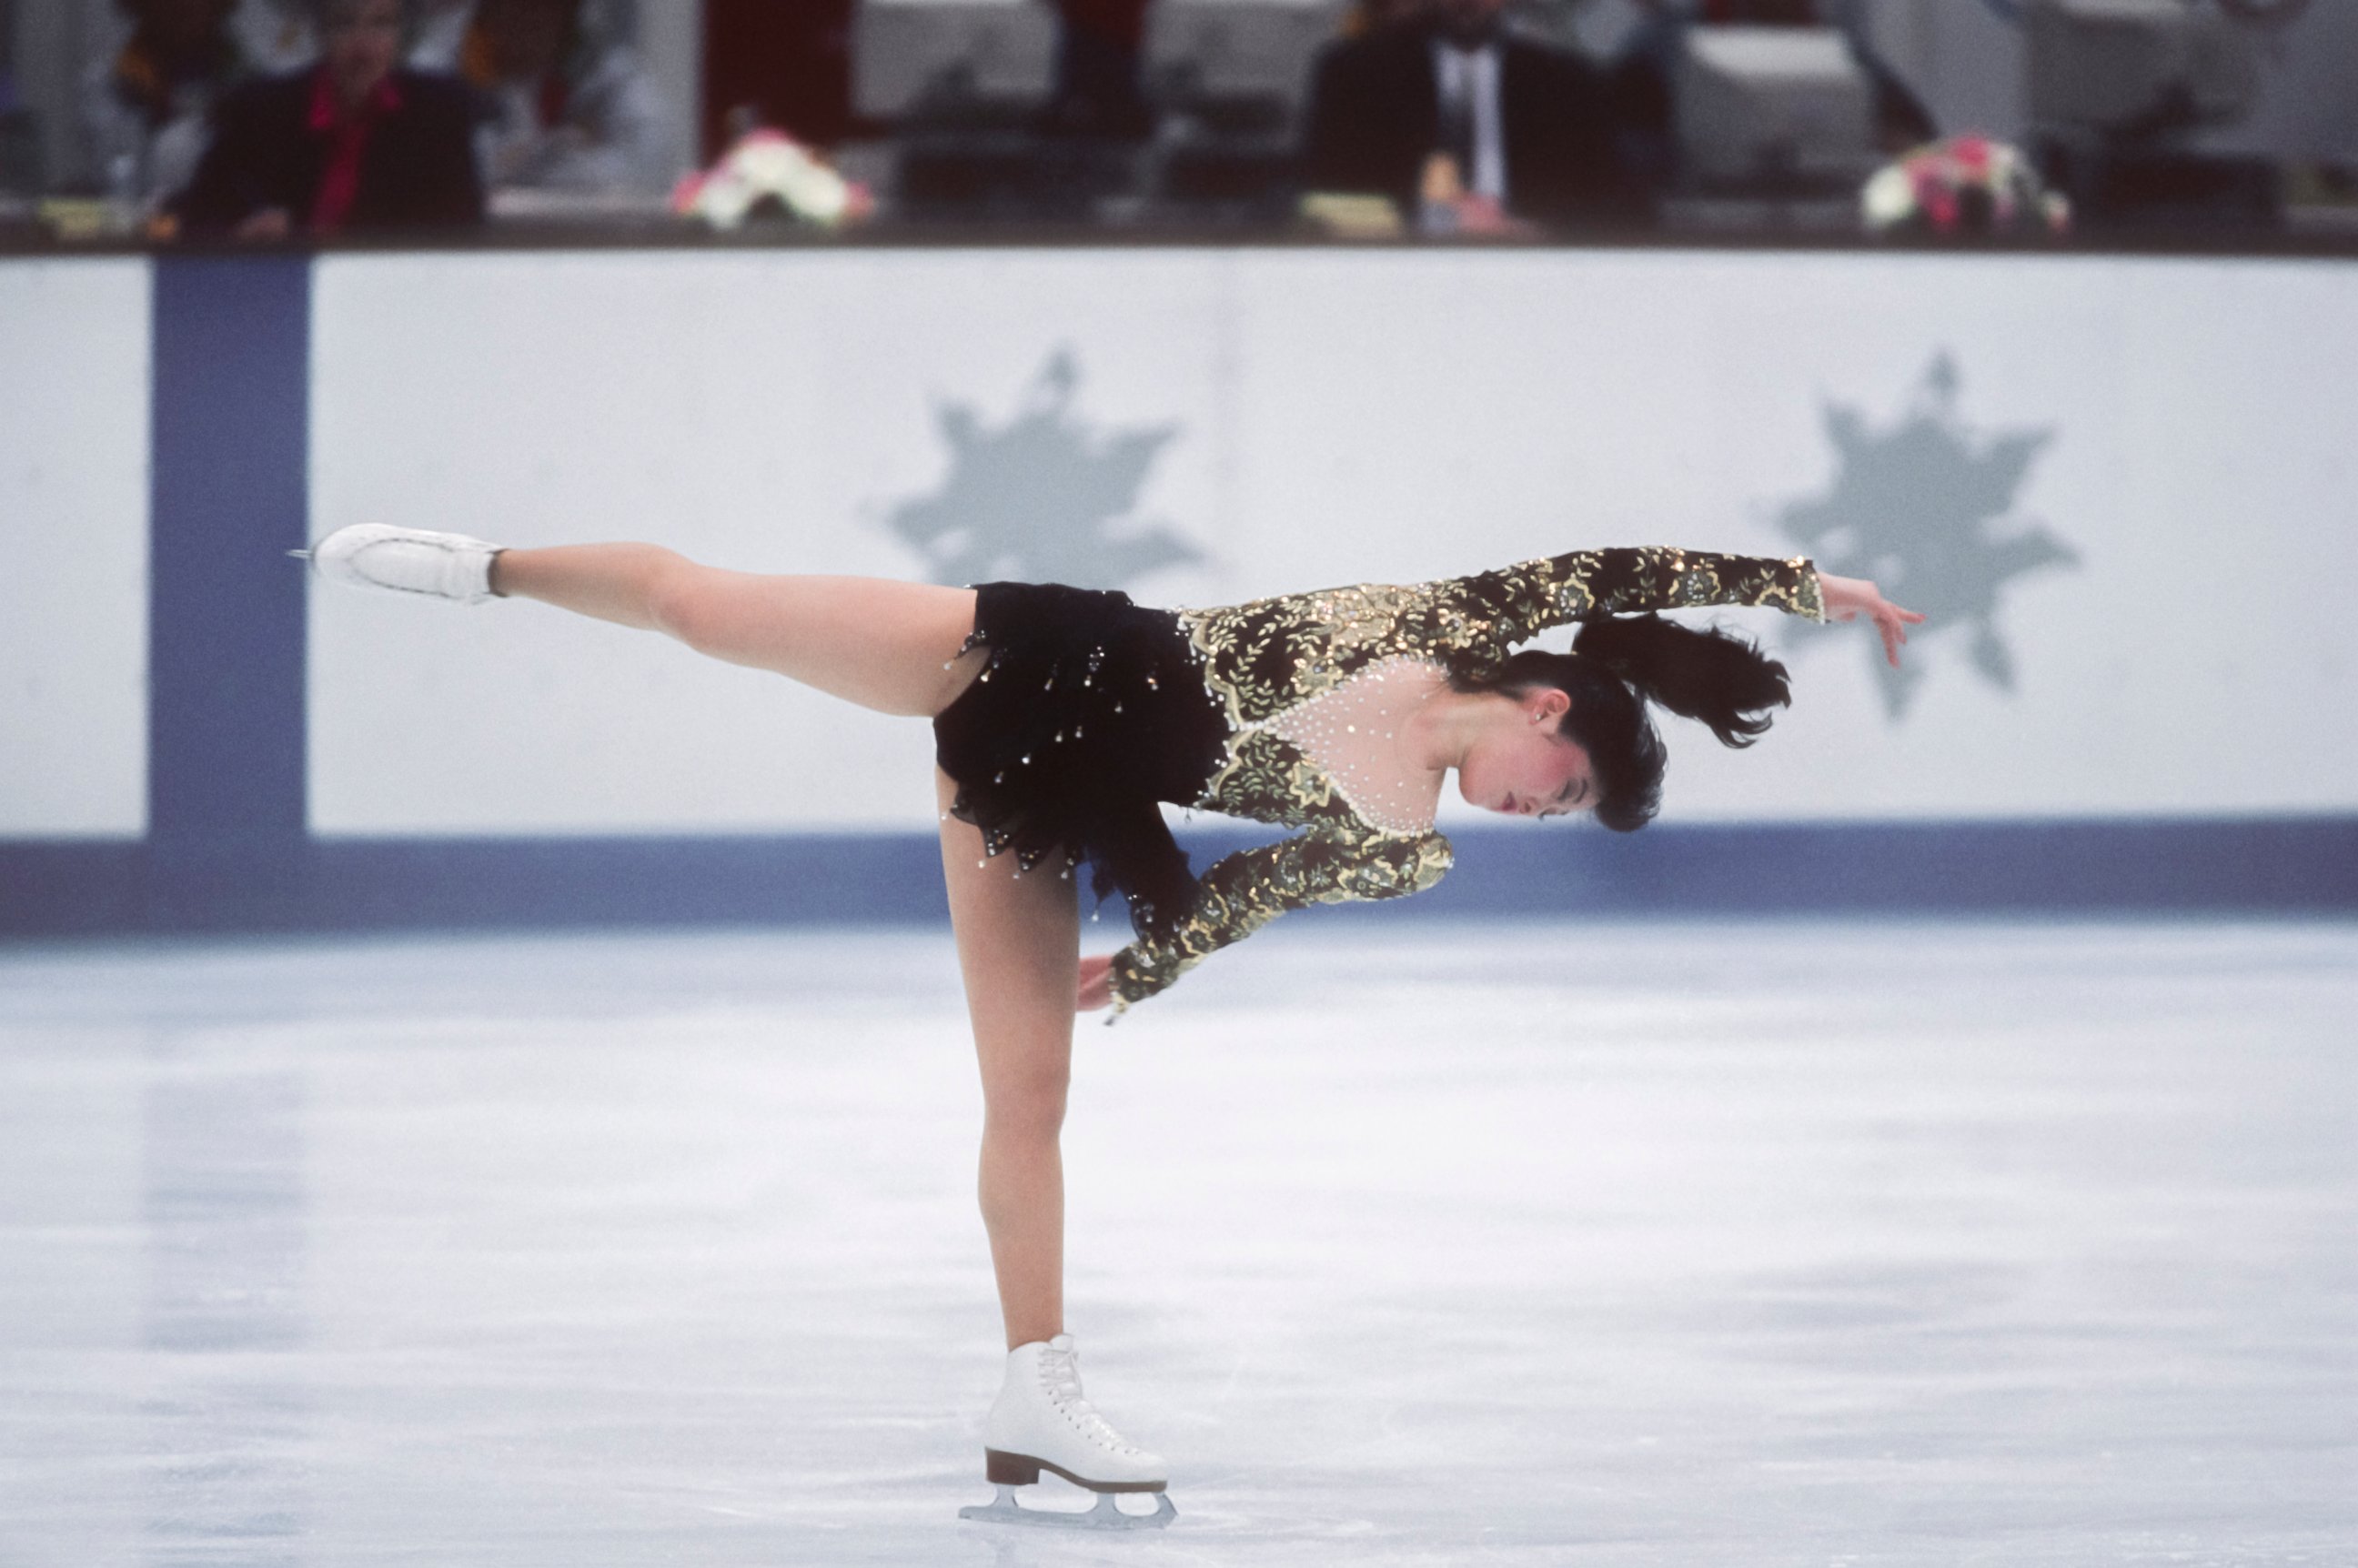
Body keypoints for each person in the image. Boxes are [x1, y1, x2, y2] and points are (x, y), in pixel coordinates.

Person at [298, 520, 1920, 1528]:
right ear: (1548, 709)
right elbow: (1614, 574)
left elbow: (1252, 887)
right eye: (1555, 791)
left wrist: (1138, 971)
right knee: (706, 606)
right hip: (1023, 650)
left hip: (1052, 795)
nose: (1529, 812)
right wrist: (1802, 589)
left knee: (1029, 1096)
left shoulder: (1403, 843)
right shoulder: (1430, 619)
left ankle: (1034, 1386)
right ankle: (482, 568)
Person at [1301, 0, 1645, 234]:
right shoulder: (1357, 76)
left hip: (1530, 272)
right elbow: (1324, 197)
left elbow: (1612, 207)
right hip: (1402, 269)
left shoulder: (1567, 85)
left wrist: (1536, 233)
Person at [175, 0, 483, 238]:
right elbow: (197, 221)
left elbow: (464, 230)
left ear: (401, 34)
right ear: (320, 33)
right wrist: (241, 234)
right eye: (344, 24)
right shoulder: (260, 112)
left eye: (381, 24)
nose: (363, 47)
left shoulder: (438, 116)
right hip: (279, 287)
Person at [440, 0, 676, 196]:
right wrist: (536, 154)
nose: (529, 20)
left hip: (578, 231)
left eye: (544, 8)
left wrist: (552, 160)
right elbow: (444, 169)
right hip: (475, 234)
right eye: (515, 6)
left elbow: (648, 164)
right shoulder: (448, 66)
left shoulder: (604, 72)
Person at [83, 0, 250, 212]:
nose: (183, 5)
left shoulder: (251, 80)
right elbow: (112, 178)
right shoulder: (108, 83)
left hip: (223, 227)